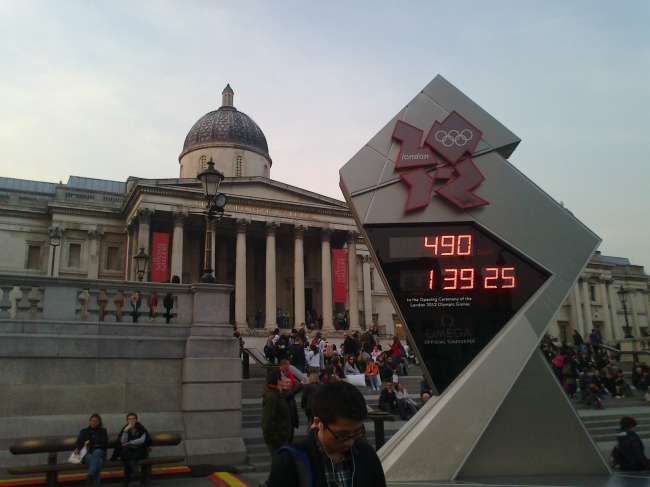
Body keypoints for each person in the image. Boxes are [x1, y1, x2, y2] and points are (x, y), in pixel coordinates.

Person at [267, 381, 387, 487]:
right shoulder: (290, 462)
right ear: (318, 423)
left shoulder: (366, 455)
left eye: (357, 433)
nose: (350, 442)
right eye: (342, 435)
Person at [110, 413, 150, 487]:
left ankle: (126, 481)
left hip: (138, 450)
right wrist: (126, 430)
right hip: (128, 452)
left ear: (136, 420)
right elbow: (122, 441)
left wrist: (129, 443)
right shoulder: (125, 428)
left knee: (127, 458)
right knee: (125, 453)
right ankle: (135, 470)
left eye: (133, 418)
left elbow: (141, 440)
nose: (131, 420)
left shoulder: (141, 428)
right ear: (127, 420)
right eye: (129, 419)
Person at [262, 369, 292, 461]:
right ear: (278, 381)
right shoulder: (272, 397)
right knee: (280, 465)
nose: (285, 378)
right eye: (283, 376)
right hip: (278, 440)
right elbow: (268, 420)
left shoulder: (278, 394)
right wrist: (276, 439)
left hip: (282, 437)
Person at [74, 414, 108, 487]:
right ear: (90, 422)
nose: (94, 423)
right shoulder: (84, 431)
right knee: (99, 462)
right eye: (92, 421)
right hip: (87, 454)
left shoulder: (103, 431)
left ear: (99, 422)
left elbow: (103, 441)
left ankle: (90, 475)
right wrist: (77, 448)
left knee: (97, 452)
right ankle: (94, 482)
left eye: (96, 421)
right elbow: (79, 442)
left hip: (101, 452)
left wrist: (89, 441)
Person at [283, 375, 306, 443]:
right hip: (286, 422)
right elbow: (289, 393)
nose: (289, 384)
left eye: (290, 382)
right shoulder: (283, 392)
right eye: (287, 382)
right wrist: (300, 385)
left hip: (291, 421)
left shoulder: (291, 394)